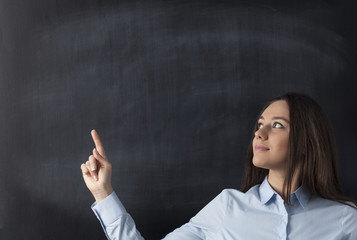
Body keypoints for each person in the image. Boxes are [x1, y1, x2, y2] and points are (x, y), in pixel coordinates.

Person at [80, 92, 357, 239]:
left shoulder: (346, 219)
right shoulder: (227, 207)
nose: (259, 134)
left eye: (277, 126)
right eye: (259, 125)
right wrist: (104, 194)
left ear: (308, 141)